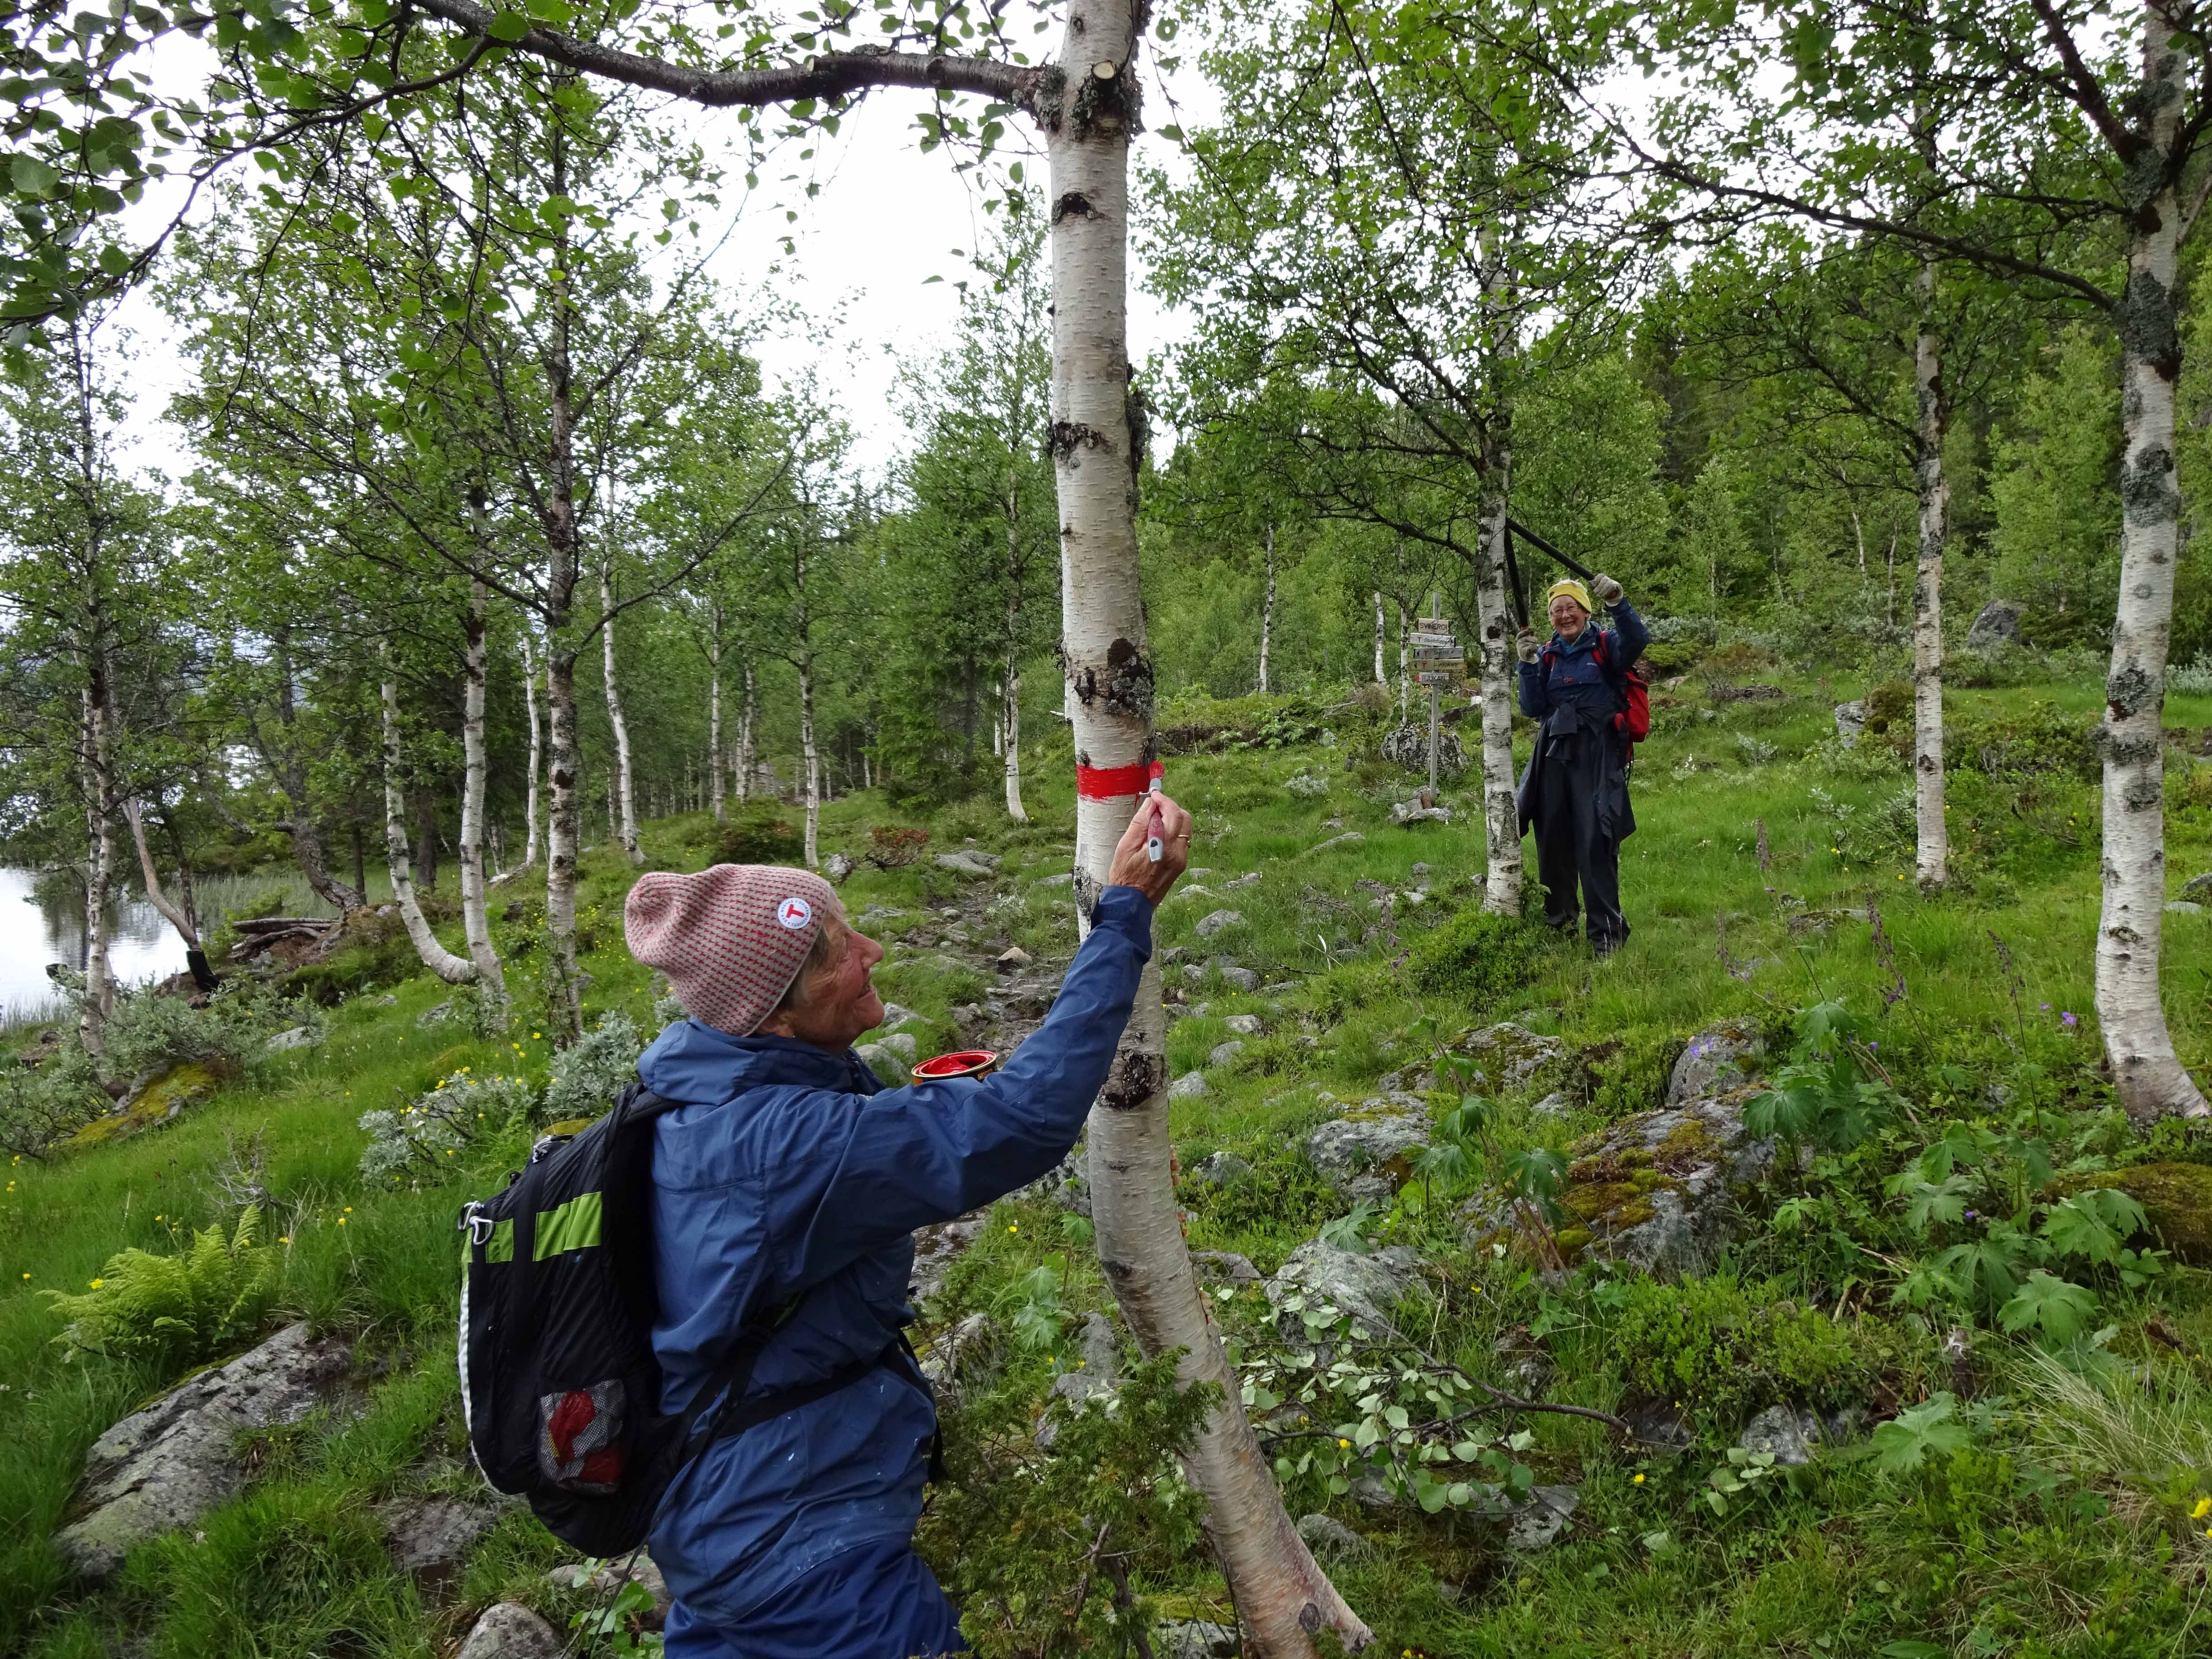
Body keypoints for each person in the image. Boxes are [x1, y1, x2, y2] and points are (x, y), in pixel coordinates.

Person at [617, 789, 1194, 1659]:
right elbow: (1019, 1125)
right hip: (803, 1557)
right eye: (836, 953)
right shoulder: (776, 1144)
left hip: (717, 1527)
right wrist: (1122, 920)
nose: (871, 951)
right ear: (774, 1011)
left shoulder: (701, 1091)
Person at [1515, 573, 1648, 954]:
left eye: (1571, 607)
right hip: (1555, 756)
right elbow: (1532, 707)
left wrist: (1619, 602)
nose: (1564, 615)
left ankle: (1606, 935)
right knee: (1553, 840)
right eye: (1557, 610)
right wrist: (1526, 665)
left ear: (1586, 610)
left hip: (1598, 756)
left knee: (1596, 841)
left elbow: (1638, 640)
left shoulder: (1607, 645)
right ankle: (1558, 926)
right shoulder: (1547, 655)